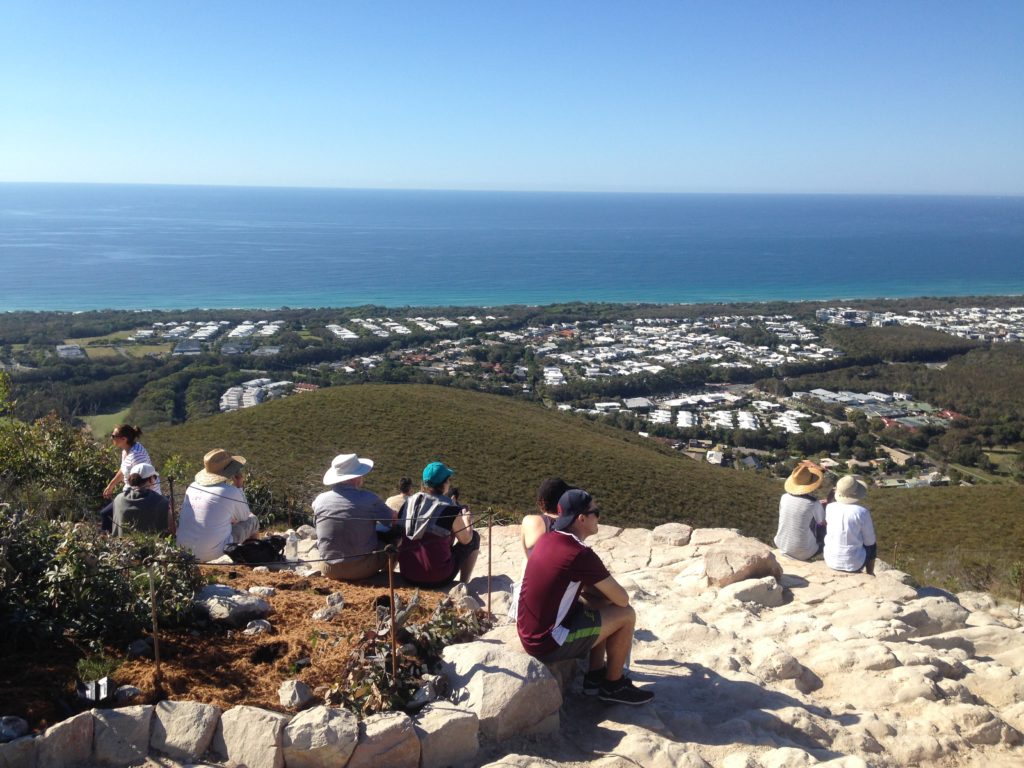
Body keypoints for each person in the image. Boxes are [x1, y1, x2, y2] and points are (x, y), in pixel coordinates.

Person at [517, 488, 654, 706]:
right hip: (548, 641)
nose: (599, 516)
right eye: (595, 511)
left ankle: (595, 676)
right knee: (626, 615)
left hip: (530, 630)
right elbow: (622, 599)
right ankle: (613, 685)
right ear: (581, 519)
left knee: (600, 603)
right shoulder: (579, 553)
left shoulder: (549, 539)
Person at [313, 453, 396, 580]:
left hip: (328, 568)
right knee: (394, 540)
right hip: (362, 569)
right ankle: (386, 578)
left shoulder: (319, 500)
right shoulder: (370, 499)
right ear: (355, 478)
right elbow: (393, 520)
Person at [397, 461, 479, 587]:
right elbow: (466, 540)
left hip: (407, 574)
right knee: (474, 537)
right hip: (437, 578)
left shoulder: (409, 501)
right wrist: (468, 520)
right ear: (444, 484)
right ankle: (463, 584)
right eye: (448, 480)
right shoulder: (449, 507)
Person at [176, 449, 259, 563]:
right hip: (213, 554)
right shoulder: (230, 491)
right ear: (229, 470)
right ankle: (253, 559)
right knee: (253, 520)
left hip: (184, 551)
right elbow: (245, 517)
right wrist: (239, 487)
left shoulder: (192, 486)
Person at [100, 424, 161, 533]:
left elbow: (145, 480)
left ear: (124, 439)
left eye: (114, 436)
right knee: (109, 513)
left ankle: (108, 541)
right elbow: (124, 470)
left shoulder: (136, 455)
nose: (111, 438)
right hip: (131, 493)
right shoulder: (126, 450)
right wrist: (111, 485)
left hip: (141, 495)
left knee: (106, 514)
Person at [823, 475, 877, 575]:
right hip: (854, 564)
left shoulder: (830, 508)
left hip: (830, 560)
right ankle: (870, 573)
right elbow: (870, 542)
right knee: (872, 546)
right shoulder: (862, 512)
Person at [774, 460, 827, 561]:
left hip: (781, 545)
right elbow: (822, 523)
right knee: (821, 526)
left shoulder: (784, 497)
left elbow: (799, 508)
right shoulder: (813, 504)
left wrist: (817, 505)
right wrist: (824, 504)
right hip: (803, 553)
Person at [112, 462, 173, 536]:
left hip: (120, 545)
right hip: (153, 546)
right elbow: (172, 529)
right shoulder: (161, 501)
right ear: (150, 479)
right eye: (154, 477)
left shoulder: (118, 499)